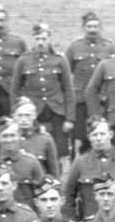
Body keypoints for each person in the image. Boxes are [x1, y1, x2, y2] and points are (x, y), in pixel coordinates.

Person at [10, 21, 75, 161]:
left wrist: (69, 118)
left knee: (57, 151)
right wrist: (16, 113)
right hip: (34, 112)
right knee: (34, 148)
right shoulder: (23, 60)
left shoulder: (59, 60)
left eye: (44, 39)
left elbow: (68, 90)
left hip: (56, 111)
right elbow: (14, 90)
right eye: (37, 39)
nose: (40, 43)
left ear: (49, 40)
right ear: (33, 40)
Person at [63, 116, 115, 222]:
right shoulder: (80, 163)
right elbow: (68, 194)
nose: (99, 138)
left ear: (110, 134)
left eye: (102, 134)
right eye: (95, 135)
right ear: (88, 137)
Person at [65, 11, 115, 156]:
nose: (92, 30)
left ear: (100, 28)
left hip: (102, 100)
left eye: (95, 26)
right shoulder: (74, 47)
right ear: (83, 28)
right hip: (81, 100)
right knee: (81, 136)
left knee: (102, 133)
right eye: (89, 26)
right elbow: (67, 73)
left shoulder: (109, 47)